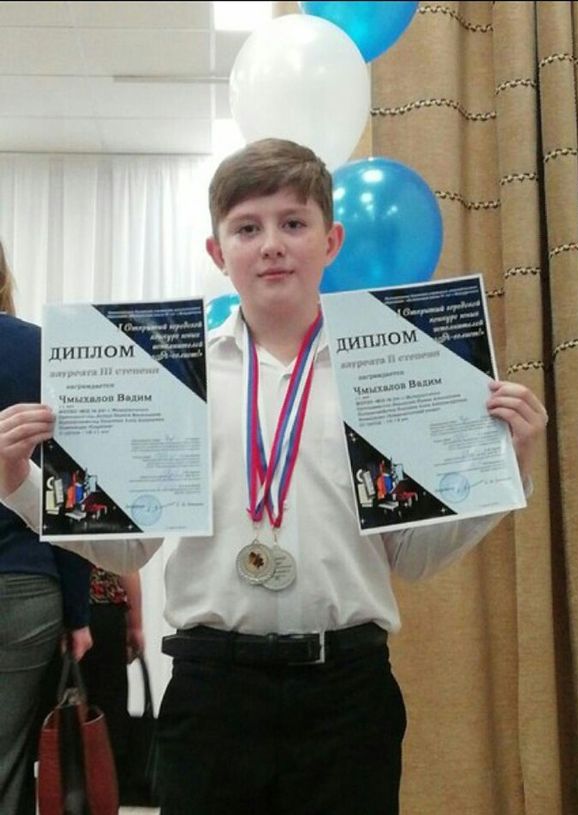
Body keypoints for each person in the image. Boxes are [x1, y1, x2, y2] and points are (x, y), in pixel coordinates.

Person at [0, 139, 548, 815]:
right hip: (212, 692)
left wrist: (506, 469)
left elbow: (413, 556)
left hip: (347, 693)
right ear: (216, 251)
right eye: (247, 228)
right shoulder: (174, 379)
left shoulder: (389, 374)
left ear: (331, 240)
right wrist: (18, 480)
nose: (272, 246)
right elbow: (131, 550)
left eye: (293, 223)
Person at [0, 242, 92, 815]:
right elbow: (67, 491)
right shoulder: (41, 349)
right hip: (26, 585)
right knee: (9, 757)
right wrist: (78, 613)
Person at [79, 568, 144, 801]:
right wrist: (135, 625)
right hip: (105, 613)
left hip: (57, 610)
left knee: (63, 715)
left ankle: (64, 795)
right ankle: (104, 796)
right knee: (109, 713)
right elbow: (127, 565)